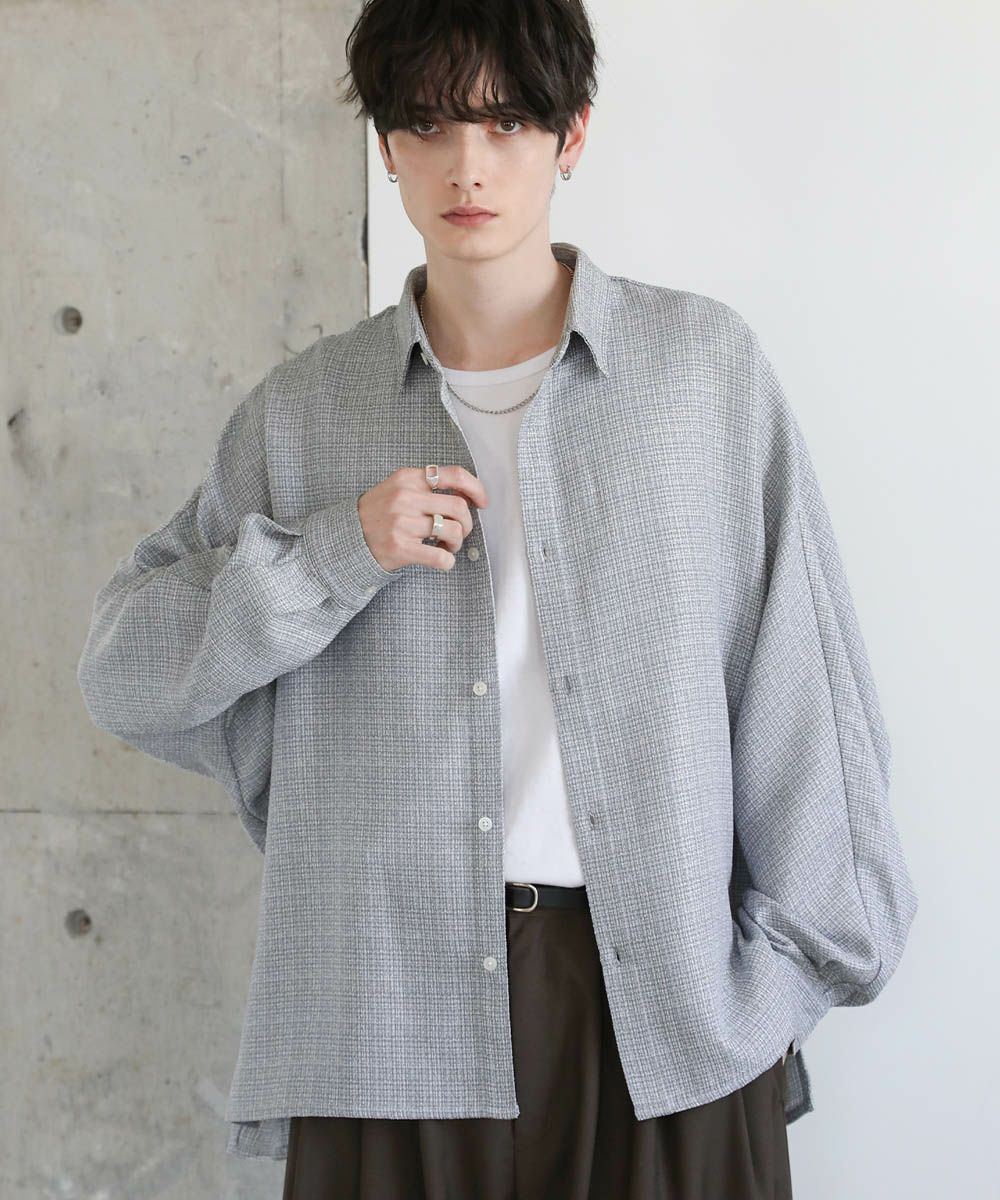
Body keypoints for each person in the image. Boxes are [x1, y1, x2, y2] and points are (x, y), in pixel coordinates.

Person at [76, 2, 918, 1198]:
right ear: (386, 146)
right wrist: (329, 555)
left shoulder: (699, 376)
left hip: (667, 1019)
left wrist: (772, 988)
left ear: (572, 133)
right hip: (386, 1022)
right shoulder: (305, 415)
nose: (466, 166)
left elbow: (807, 707)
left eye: (506, 122)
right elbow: (124, 672)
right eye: (427, 124)